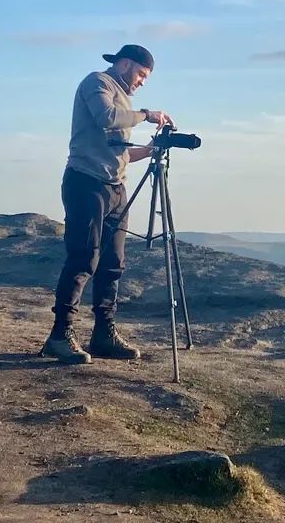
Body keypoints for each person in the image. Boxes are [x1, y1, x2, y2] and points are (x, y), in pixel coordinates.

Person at [40, 44, 174, 364]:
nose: (142, 81)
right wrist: (148, 115)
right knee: (83, 257)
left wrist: (153, 148)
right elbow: (106, 117)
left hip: (115, 188)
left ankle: (103, 334)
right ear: (125, 64)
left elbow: (121, 153)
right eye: (141, 74)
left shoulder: (125, 98)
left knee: (113, 263)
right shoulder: (97, 82)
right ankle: (60, 335)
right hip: (85, 182)